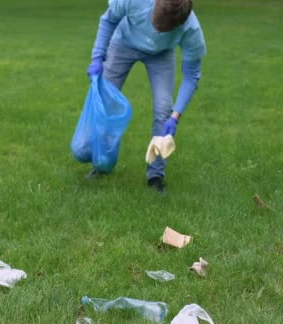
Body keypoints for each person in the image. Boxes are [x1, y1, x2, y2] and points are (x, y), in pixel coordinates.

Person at [86, 0, 206, 192]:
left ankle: (156, 175)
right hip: (123, 41)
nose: (157, 33)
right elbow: (108, 19)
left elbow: (191, 76)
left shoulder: (191, 30)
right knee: (105, 101)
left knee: (164, 110)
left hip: (161, 54)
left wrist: (175, 117)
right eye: (155, 24)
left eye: (164, 31)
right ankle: (101, 163)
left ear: (179, 25)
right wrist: (97, 57)